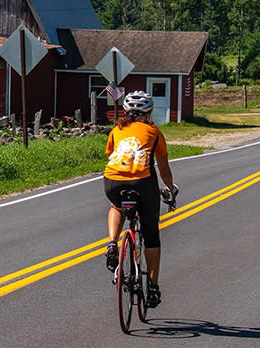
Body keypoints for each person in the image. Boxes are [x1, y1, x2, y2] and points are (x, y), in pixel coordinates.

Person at [103, 91, 175, 308]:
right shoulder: (154, 131)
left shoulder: (117, 130)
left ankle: (112, 243)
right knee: (151, 234)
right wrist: (170, 189)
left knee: (117, 206)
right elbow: (162, 167)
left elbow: (111, 155)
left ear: (126, 112)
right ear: (149, 112)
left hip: (112, 181)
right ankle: (152, 287)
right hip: (143, 183)